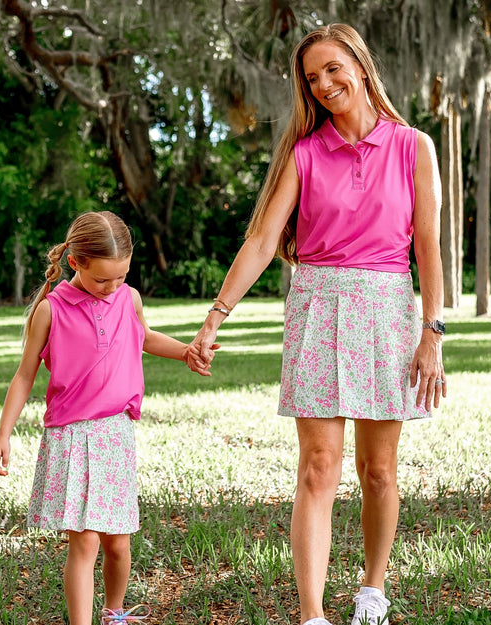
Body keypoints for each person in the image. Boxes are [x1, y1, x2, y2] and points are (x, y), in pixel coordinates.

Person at [191, 23, 446, 625]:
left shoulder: (414, 146)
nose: (325, 84)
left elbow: (430, 249)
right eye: (312, 78)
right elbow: (259, 242)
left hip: (388, 308)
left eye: (333, 69)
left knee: (378, 470)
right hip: (317, 306)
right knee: (317, 466)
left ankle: (372, 591)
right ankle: (311, 615)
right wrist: (214, 317)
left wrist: (431, 334)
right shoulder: (305, 153)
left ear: (359, 66)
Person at [0, 211, 215, 625]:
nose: (112, 287)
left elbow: (143, 337)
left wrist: (185, 350)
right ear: (75, 263)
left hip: (115, 434)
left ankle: (115, 613)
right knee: (86, 542)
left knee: (118, 543)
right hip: (71, 437)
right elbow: (25, 375)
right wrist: (4, 434)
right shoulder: (51, 310)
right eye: (102, 280)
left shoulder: (128, 298)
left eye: (120, 276)